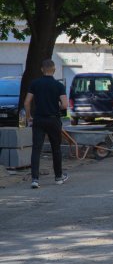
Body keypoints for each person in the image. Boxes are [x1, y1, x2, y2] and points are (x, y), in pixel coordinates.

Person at [24, 59, 68, 189]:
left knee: (36, 149)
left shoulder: (35, 84)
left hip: (38, 120)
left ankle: (35, 179)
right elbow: (65, 104)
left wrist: (28, 117)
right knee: (56, 149)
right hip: (53, 119)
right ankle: (58, 177)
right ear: (54, 70)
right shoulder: (59, 85)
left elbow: (27, 103)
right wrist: (57, 107)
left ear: (42, 69)